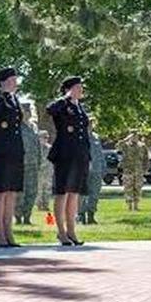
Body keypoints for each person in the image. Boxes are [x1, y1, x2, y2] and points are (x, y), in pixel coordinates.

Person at [46, 76, 92, 246]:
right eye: (78, 87)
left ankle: (71, 231)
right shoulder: (63, 105)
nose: (81, 90)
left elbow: (84, 133)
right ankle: (61, 231)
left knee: (74, 193)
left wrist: (88, 156)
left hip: (80, 154)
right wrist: (66, 97)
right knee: (62, 193)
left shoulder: (80, 108)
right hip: (65, 154)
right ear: (69, 88)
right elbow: (50, 109)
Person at [0, 67, 25, 247]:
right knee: (0, 192)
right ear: (3, 82)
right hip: (0, 150)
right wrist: (5, 95)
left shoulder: (14, 100)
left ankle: (9, 231)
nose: (15, 83)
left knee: (12, 192)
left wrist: (11, 97)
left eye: (15, 80)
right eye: (12, 80)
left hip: (15, 149)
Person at [16, 102, 42, 225]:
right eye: (26, 111)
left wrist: (39, 160)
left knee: (32, 191)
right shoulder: (17, 127)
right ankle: (18, 216)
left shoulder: (33, 127)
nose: (29, 113)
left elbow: (38, 146)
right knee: (20, 192)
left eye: (29, 111)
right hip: (20, 164)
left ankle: (27, 216)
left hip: (33, 164)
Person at [78, 121, 105, 224]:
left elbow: (100, 153)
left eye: (91, 123)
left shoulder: (96, 137)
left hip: (96, 170)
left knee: (95, 194)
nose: (89, 125)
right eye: (87, 122)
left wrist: (103, 167)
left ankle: (91, 215)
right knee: (82, 194)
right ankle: (81, 215)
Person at [118, 130, 147, 211]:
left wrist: (145, 168)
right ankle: (129, 206)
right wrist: (125, 139)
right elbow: (118, 146)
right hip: (128, 170)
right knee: (128, 188)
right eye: (132, 135)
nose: (134, 136)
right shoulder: (125, 145)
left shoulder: (142, 146)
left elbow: (145, 158)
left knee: (138, 188)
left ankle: (136, 206)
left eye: (136, 135)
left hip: (138, 170)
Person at [36, 131, 53, 212]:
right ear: (39, 138)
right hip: (39, 172)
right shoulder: (35, 148)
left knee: (47, 189)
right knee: (39, 189)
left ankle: (46, 205)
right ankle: (39, 205)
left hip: (48, 172)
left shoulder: (50, 148)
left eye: (47, 137)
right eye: (44, 137)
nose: (46, 139)